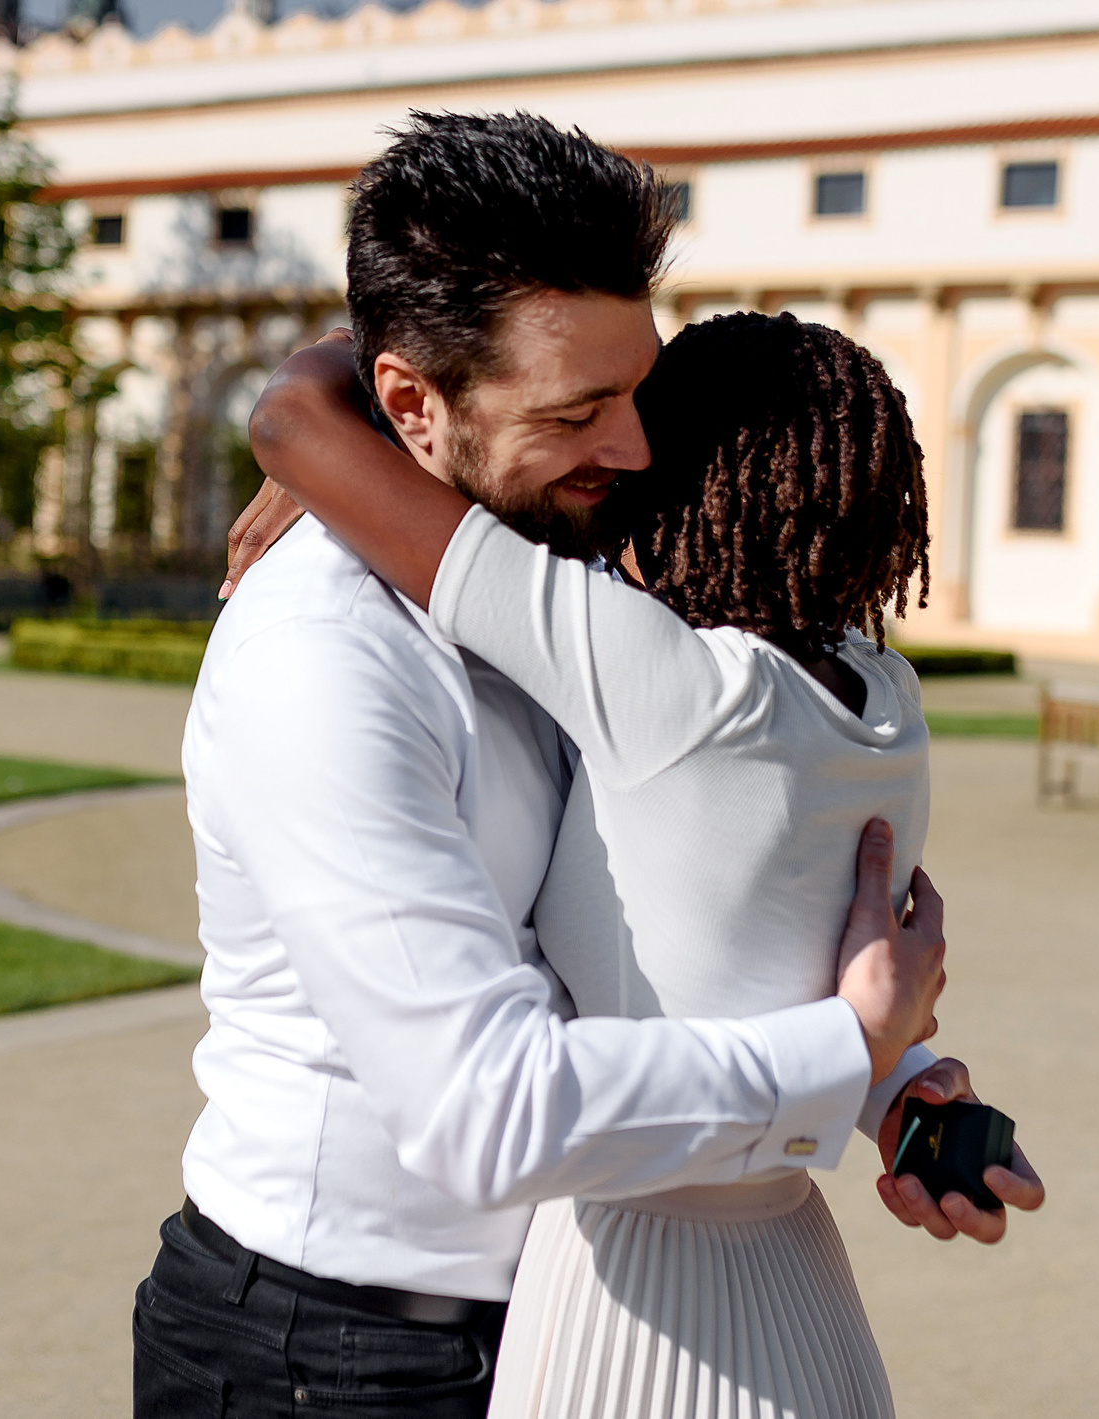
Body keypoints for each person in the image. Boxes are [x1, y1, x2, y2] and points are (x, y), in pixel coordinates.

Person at [140, 112, 959, 1419]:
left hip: (566, 1322)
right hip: (335, 1355)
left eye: (638, 392)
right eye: (579, 410)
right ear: (410, 402)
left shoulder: (581, 563)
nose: (636, 450)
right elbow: (486, 1107)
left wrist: (900, 1084)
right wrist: (845, 1047)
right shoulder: (320, 658)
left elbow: (670, 924)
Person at [250, 300, 1045, 1416]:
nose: (613, 456)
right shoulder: (885, 702)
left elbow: (292, 425)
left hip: (628, 1283)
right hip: (797, 1280)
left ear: (678, 483)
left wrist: (372, 398)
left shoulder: (665, 683)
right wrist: (899, 1088)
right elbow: (776, 966)